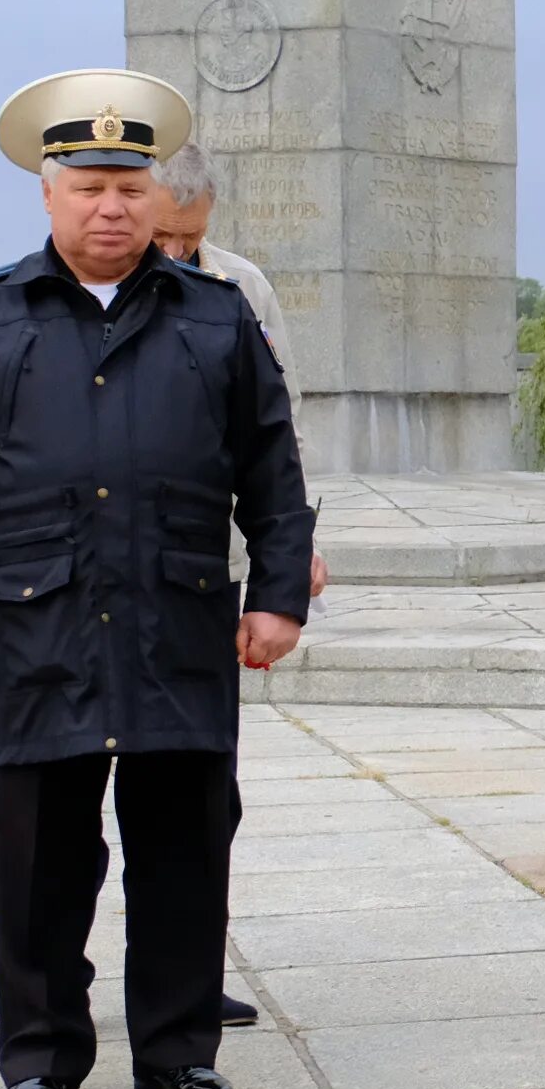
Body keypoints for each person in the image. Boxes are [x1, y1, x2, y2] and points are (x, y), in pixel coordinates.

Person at [0, 69, 312, 1089]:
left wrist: (282, 593)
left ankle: (175, 1046)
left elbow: (272, 466)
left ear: (155, 193)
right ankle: (41, 1054)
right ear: (47, 191)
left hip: (181, 616)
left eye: (129, 183)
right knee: (41, 855)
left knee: (182, 846)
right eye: (88, 185)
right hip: (46, 619)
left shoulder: (214, 319)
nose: (111, 205)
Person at [152, 155, 323, 1032]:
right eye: (166, 239)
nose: (182, 256)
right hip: (109, 575)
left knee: (206, 793)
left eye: (194, 237)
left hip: (210, 575)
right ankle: (62, 972)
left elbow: (277, 428)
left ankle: (189, 972)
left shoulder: (241, 286)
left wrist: (292, 554)